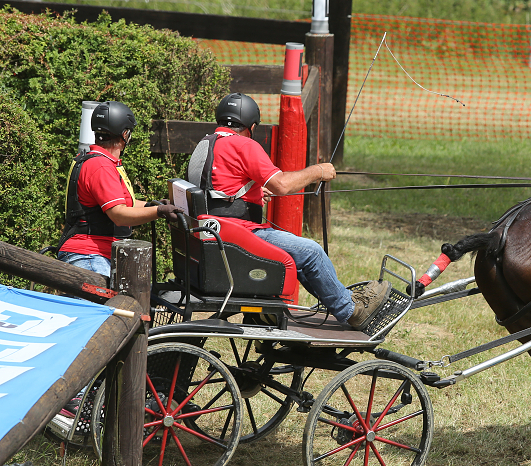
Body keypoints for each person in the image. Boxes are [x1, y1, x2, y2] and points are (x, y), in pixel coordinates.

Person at [187, 93, 390, 331]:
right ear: (251, 126)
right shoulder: (244, 144)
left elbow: (215, 189)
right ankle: (352, 310)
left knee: (301, 254)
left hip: (217, 232)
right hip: (238, 235)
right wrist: (318, 171)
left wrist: (249, 193)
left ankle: (340, 299)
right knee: (311, 252)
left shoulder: (207, 143)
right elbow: (282, 184)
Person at [58, 100, 183, 277]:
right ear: (124, 134)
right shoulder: (101, 167)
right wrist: (159, 211)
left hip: (93, 254)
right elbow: (118, 214)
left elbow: (121, 203)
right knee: (108, 303)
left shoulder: (93, 160)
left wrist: (150, 206)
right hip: (89, 257)